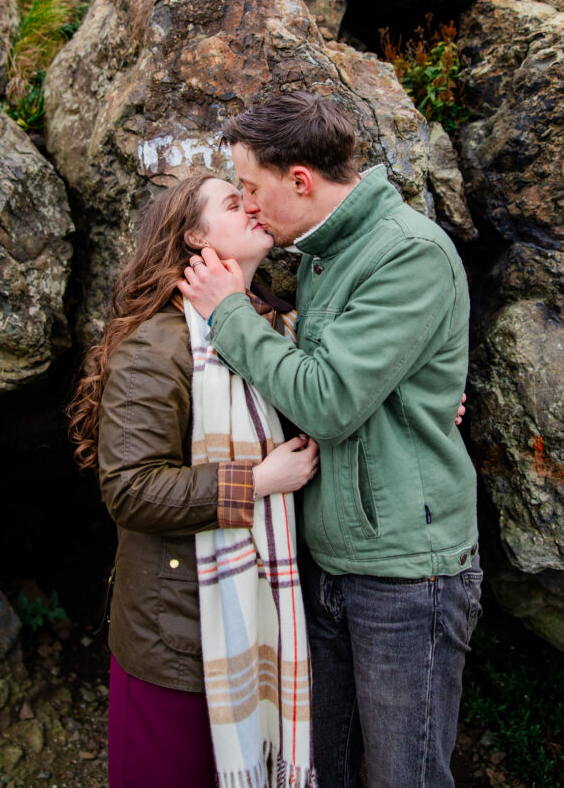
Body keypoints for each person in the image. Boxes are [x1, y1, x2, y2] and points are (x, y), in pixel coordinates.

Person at [178, 90, 481, 788]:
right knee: (324, 769)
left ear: (301, 181)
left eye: (251, 189)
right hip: (327, 562)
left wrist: (227, 313)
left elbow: (326, 399)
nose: (247, 207)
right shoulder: (317, 255)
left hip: (407, 573)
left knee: (403, 775)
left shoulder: (407, 253)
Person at [66, 175, 319, 788]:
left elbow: (334, 404)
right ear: (195, 238)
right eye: (234, 204)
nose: (253, 206)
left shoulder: (274, 329)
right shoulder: (157, 345)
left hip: (267, 617)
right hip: (177, 634)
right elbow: (129, 488)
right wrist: (256, 481)